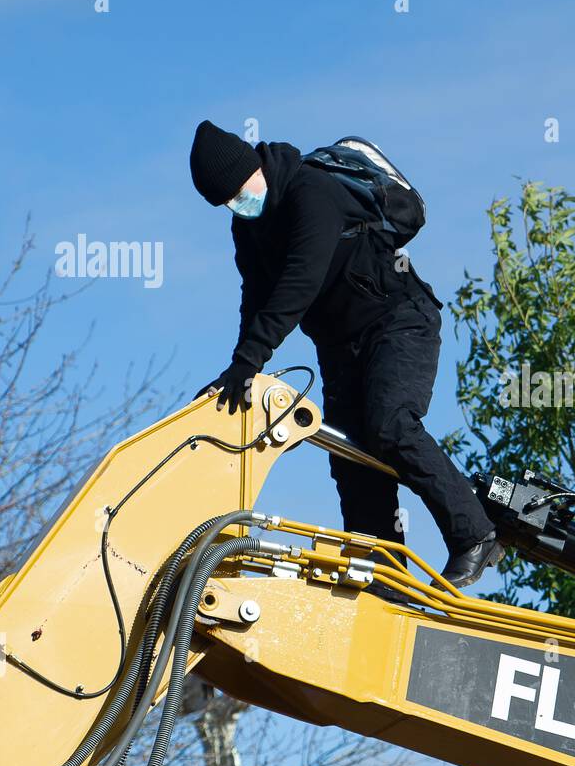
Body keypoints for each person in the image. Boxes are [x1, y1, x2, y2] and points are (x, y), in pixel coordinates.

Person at [188, 120, 502, 587]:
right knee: (349, 456)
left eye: (239, 191)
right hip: (339, 347)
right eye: (226, 202)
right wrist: (241, 369)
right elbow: (255, 295)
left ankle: (474, 535)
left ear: (255, 168)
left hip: (399, 322)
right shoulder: (247, 229)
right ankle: (379, 573)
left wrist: (251, 358)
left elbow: (300, 280)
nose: (238, 204)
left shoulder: (310, 192)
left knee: (390, 424)